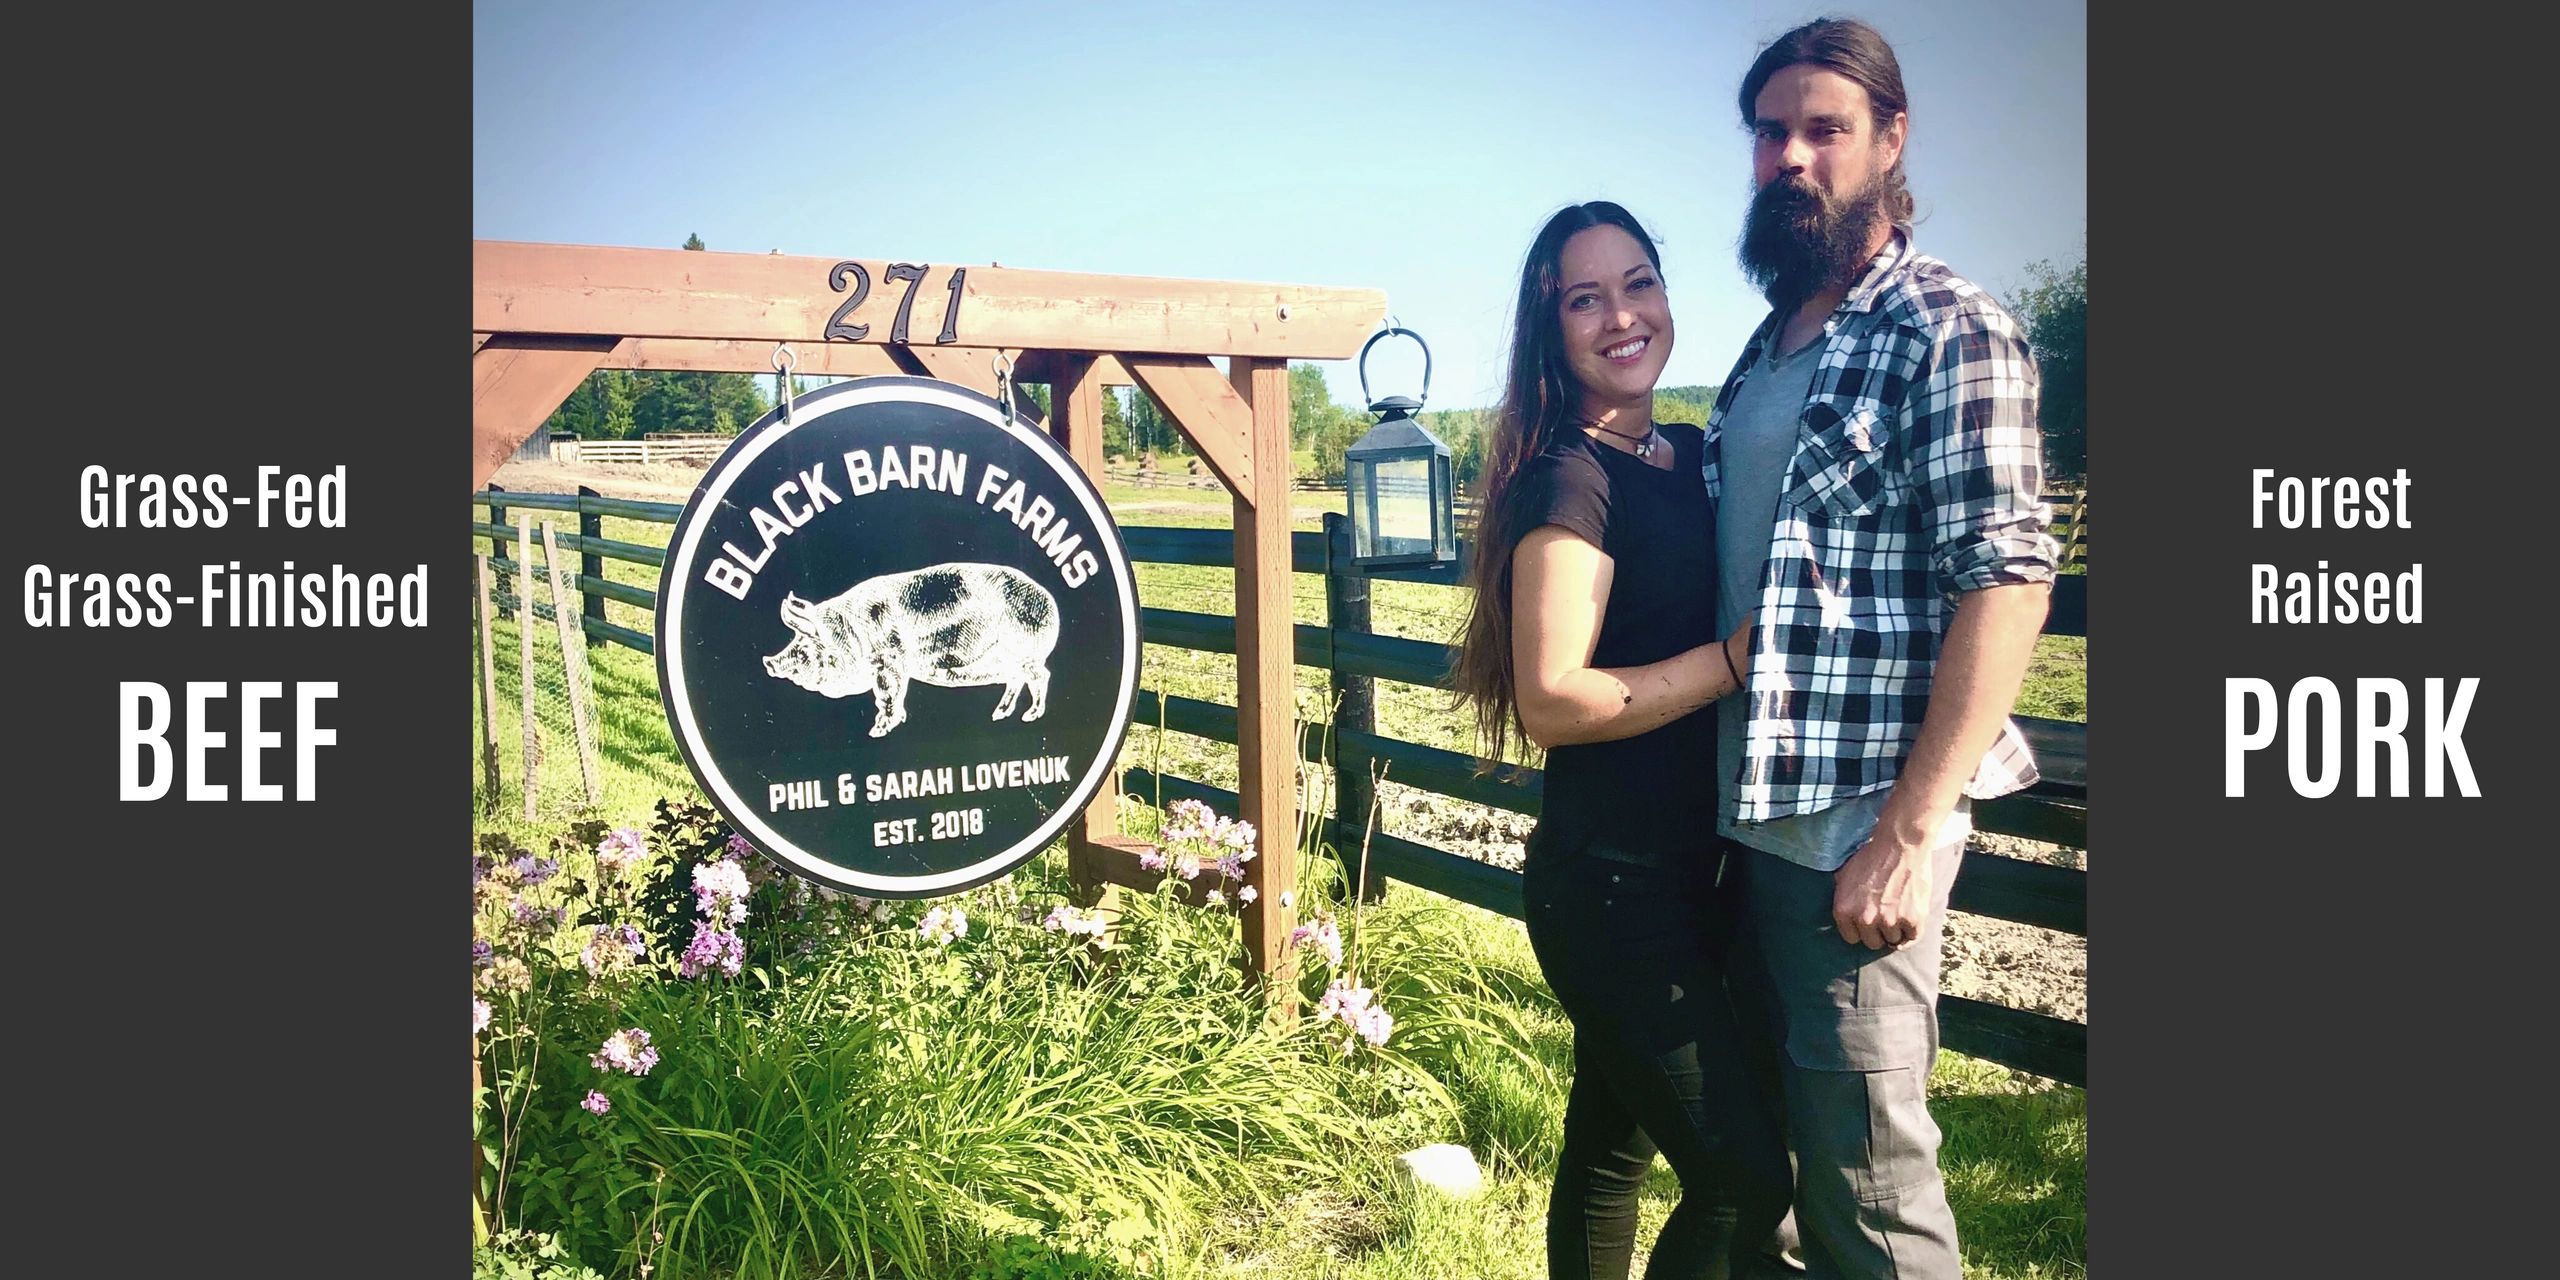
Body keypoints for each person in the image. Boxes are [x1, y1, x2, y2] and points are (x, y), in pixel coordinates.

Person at [1704, 18, 2059, 1280]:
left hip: (1852, 830)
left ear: (1890, 140)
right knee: (1777, 1180)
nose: (1790, 156)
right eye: (1769, 133)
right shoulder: (1770, 345)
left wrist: (1911, 829)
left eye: (1823, 130)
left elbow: (2009, 579)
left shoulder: (1947, 328)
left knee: (1871, 1184)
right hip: (1746, 823)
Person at [1452, 200, 1792, 1280]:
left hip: (1689, 875)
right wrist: (1731, 662)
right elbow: (1551, 698)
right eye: (1583, 298)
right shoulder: (1571, 478)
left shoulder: (1680, 453)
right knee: (1743, 1181)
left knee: (1609, 1151)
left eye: (1638, 282)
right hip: (1611, 893)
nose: (1620, 315)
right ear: (1547, 329)